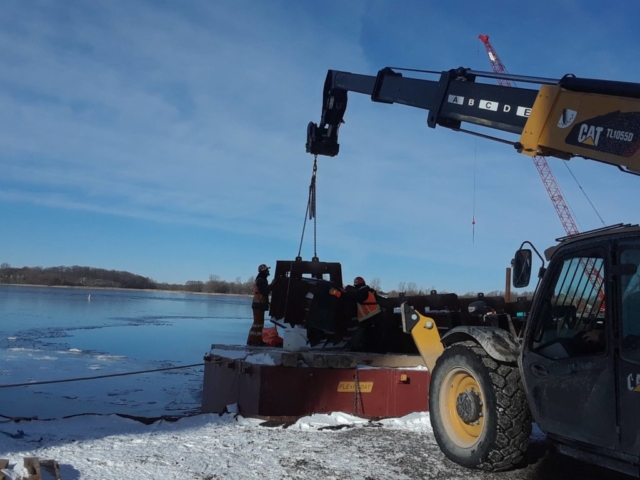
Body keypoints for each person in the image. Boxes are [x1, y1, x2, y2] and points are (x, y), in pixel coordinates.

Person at [329, 276, 385, 352]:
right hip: (374, 318)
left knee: (371, 338)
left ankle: (373, 354)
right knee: (374, 338)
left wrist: (336, 293)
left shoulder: (362, 293)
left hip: (370, 319)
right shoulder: (368, 291)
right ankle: (375, 352)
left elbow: (350, 297)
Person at [247, 264, 277, 346]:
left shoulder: (261, 279)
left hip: (259, 304)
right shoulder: (261, 280)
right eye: (267, 270)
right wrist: (272, 285)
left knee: (259, 323)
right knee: (258, 323)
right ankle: (254, 340)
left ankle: (256, 340)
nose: (268, 271)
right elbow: (264, 291)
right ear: (264, 271)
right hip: (258, 305)